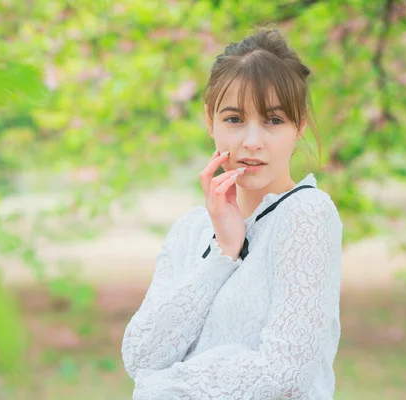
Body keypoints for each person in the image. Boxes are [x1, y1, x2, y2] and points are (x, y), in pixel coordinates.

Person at [121, 27, 343, 400]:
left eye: (273, 120)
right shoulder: (191, 230)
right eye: (234, 119)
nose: (251, 141)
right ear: (210, 121)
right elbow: (141, 355)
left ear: (299, 125)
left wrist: (163, 386)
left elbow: (283, 375)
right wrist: (223, 254)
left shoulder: (307, 214)